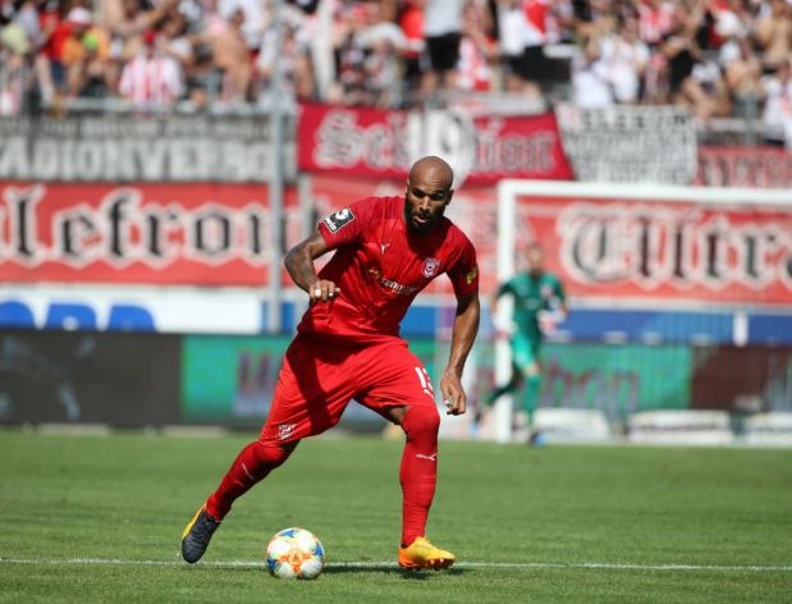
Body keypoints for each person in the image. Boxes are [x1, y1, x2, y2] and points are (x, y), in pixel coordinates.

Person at [181, 156, 480, 570]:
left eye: (435, 197)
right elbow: (298, 253)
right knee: (272, 452)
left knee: (425, 420)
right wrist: (313, 281)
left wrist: (453, 370)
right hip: (322, 348)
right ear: (406, 188)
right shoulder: (370, 213)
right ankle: (213, 510)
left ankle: (412, 542)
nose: (424, 204)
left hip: (379, 349)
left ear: (449, 199)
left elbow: (469, 302)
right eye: (418, 194)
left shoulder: (456, 246)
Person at [482, 242, 567, 440]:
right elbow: (494, 297)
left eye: (539, 260)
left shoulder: (551, 282)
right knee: (534, 378)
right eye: (532, 260)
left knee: (514, 383)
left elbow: (564, 305)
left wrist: (555, 318)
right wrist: (499, 322)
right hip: (518, 338)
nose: (536, 263)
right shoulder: (516, 282)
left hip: (536, 338)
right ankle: (531, 427)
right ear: (528, 260)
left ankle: (486, 404)